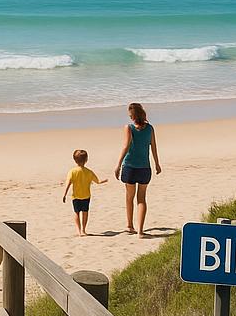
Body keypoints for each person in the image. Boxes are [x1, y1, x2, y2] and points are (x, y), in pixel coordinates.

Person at [114, 102, 162, 238]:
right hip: (145, 168)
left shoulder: (129, 128)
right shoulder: (150, 128)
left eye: (130, 114)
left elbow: (125, 146)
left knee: (129, 198)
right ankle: (140, 231)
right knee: (141, 199)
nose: (129, 116)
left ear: (133, 116)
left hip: (129, 167)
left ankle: (130, 226)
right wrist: (157, 164)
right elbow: (153, 147)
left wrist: (118, 164)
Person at [62, 149, 108, 237]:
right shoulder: (89, 172)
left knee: (76, 213)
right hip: (86, 196)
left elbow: (68, 183)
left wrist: (64, 195)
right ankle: (83, 230)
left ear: (74, 160)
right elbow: (97, 181)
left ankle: (79, 231)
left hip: (75, 197)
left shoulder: (72, 171)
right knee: (85, 212)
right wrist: (103, 181)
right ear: (86, 160)